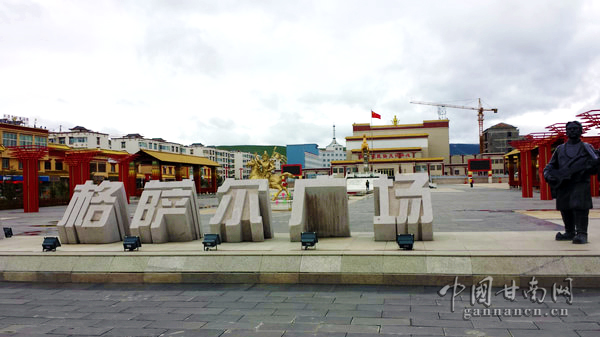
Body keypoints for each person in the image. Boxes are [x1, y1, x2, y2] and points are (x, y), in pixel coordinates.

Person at [543, 121, 600, 244]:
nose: (573, 131)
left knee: (580, 207)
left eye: (575, 128)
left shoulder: (587, 147)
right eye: (570, 129)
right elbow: (550, 166)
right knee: (565, 207)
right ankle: (569, 232)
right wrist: (548, 175)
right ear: (566, 132)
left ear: (581, 131)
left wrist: (591, 167)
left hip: (580, 183)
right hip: (563, 183)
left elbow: (595, 167)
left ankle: (582, 233)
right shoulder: (560, 149)